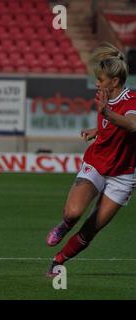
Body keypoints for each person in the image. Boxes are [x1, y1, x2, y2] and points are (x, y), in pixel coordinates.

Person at [46, 42, 136, 276]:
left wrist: (105, 112)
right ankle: (65, 225)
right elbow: (112, 126)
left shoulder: (132, 100)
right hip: (97, 163)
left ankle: (58, 261)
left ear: (114, 82)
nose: (97, 83)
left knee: (92, 227)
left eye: (101, 79)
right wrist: (96, 131)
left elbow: (133, 124)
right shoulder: (104, 97)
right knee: (73, 213)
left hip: (124, 175)